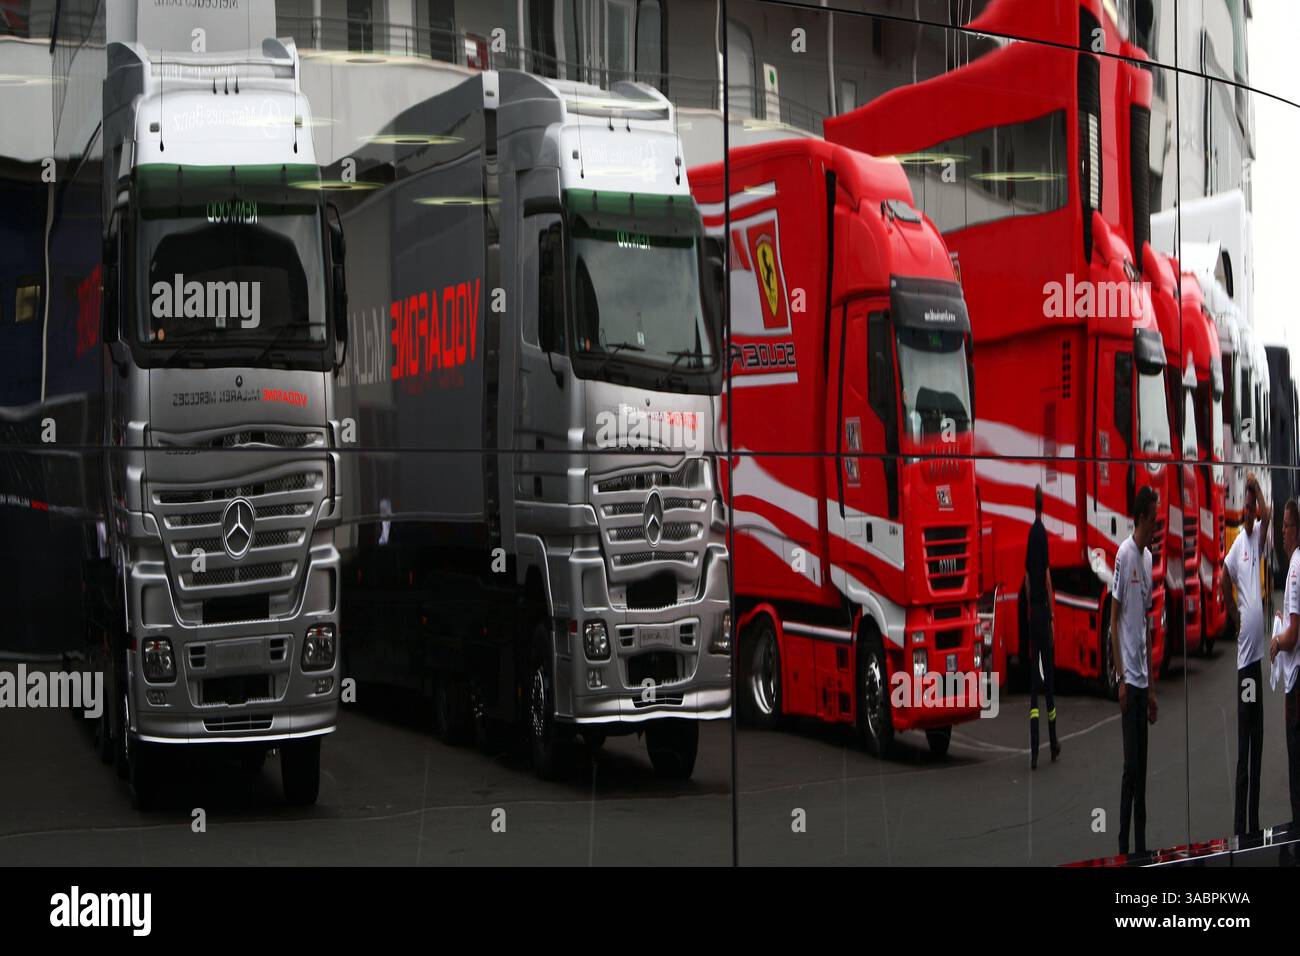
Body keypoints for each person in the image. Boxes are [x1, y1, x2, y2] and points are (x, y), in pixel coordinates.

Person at [1110, 485, 1158, 856]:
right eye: (1154, 517)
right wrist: (1122, 678)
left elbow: (1144, 624)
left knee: (1143, 774)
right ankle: (1123, 846)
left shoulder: (1149, 560)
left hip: (1144, 683)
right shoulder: (1124, 556)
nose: (1157, 523)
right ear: (1141, 517)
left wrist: (1152, 687)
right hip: (1129, 682)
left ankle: (1141, 852)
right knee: (1129, 769)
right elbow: (1114, 622)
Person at [1222, 472, 1270, 837]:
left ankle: (1254, 827)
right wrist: (1233, 615)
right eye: (1248, 506)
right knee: (1243, 752)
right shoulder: (1239, 544)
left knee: (1258, 747)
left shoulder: (1258, 539)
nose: (1252, 512)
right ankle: (1240, 827)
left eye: (1254, 506)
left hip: (1258, 662)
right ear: (1243, 512)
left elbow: (1269, 517)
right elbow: (1223, 578)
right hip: (1245, 669)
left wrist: (1256, 485)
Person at [1024, 484, 1060, 769]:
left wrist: (1030, 608)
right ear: (1043, 505)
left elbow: (1027, 578)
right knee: (1049, 677)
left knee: (1034, 686)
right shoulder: (1044, 535)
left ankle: (1034, 750)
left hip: (1032, 613)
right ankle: (1054, 742)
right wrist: (1051, 612)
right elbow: (1046, 576)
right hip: (1043, 614)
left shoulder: (1029, 535)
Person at [1269, 497, 1300, 825]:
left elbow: (1293, 637)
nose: (1282, 532)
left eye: (1287, 525)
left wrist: (1277, 641)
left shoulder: (1294, 567)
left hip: (1296, 683)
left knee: (1296, 772)